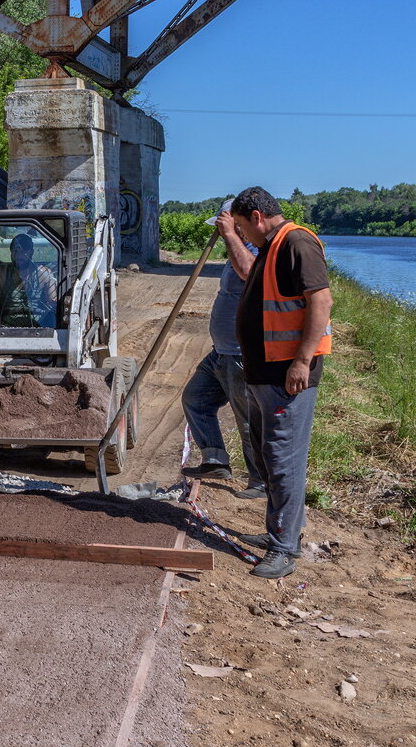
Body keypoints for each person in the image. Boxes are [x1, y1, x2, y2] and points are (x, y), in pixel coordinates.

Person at [229, 186, 333, 579]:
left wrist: (302, 361)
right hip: (265, 373)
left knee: (283, 459)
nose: (241, 235)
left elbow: (320, 301)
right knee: (269, 455)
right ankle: (280, 531)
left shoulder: (296, 243)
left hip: (286, 375)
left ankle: (284, 549)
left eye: (241, 227)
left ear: (257, 217)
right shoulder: (271, 247)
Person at [180, 199, 266, 499]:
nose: (218, 234)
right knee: (195, 399)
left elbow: (248, 272)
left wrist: (230, 234)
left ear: (241, 226)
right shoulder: (235, 252)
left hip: (241, 354)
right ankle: (215, 459)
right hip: (222, 351)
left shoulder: (257, 251)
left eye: (226, 226)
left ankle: (261, 482)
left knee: (247, 420)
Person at [0, 232, 58, 327]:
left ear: (31, 252)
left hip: (37, 327)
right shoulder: (2, 273)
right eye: (15, 251)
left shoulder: (44, 274)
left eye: (23, 251)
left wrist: (55, 302)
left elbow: (52, 304)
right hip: (6, 326)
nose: (18, 255)